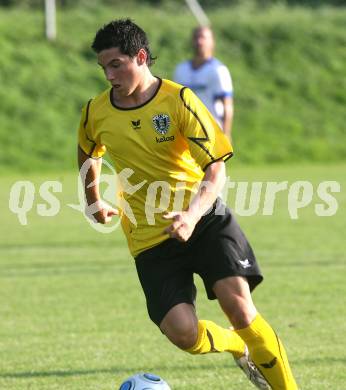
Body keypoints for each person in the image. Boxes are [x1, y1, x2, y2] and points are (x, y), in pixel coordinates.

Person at [77, 19, 298, 389]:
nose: (110, 75)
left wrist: (192, 215)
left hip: (205, 217)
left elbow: (215, 169)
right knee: (183, 334)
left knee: (240, 308)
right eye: (104, 68)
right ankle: (235, 345)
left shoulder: (178, 100)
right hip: (149, 237)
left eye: (116, 64)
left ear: (141, 57)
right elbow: (87, 151)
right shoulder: (96, 111)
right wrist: (92, 200)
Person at [174, 26, 234, 140]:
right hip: (186, 132)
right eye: (196, 37)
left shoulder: (219, 70)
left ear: (212, 42)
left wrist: (226, 133)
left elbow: (227, 104)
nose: (199, 41)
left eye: (203, 37)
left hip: (211, 131)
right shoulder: (181, 69)